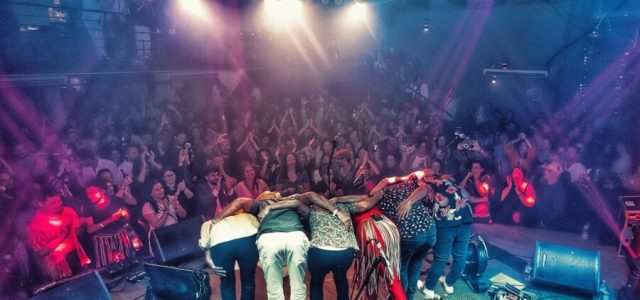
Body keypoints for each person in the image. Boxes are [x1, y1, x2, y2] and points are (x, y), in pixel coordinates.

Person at [211, 191, 349, 300]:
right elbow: (312, 196)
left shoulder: (261, 204)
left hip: (269, 238)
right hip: (295, 235)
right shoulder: (294, 199)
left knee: (274, 289)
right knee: (298, 287)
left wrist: (215, 221)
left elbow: (239, 201)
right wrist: (338, 213)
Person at [415, 176, 473, 299]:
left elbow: (427, 205)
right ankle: (449, 283)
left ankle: (428, 288)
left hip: (447, 224)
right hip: (466, 221)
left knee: (440, 258)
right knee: (461, 255)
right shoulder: (450, 180)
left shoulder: (426, 185)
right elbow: (466, 196)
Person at [27, 191, 91, 282]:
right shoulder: (34, 225)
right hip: (59, 264)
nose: (58, 204)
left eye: (59, 201)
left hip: (78, 254)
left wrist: (82, 224)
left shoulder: (68, 211)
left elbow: (78, 232)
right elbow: (41, 251)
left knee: (87, 282)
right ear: (40, 203)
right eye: (53, 203)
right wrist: (63, 235)